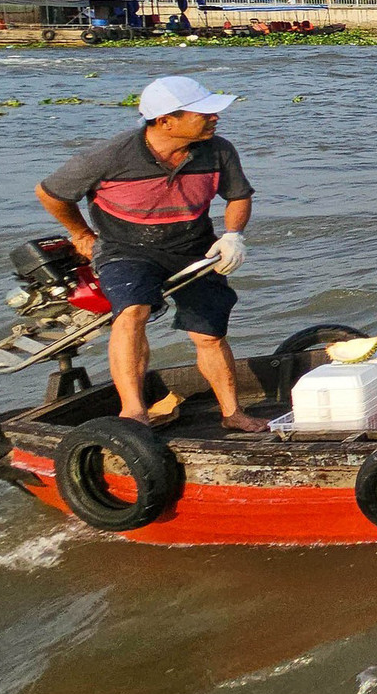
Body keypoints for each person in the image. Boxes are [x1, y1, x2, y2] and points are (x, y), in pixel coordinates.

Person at [34, 77, 259, 431]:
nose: (215, 117)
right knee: (132, 312)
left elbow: (238, 195)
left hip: (193, 247)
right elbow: (51, 193)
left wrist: (233, 236)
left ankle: (232, 413)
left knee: (209, 335)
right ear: (166, 121)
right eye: (204, 113)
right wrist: (80, 233)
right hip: (127, 249)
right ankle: (134, 412)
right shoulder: (111, 155)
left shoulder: (219, 150)